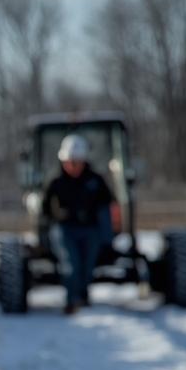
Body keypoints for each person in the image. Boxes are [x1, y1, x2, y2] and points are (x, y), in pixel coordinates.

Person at [42, 134, 117, 314]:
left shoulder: (95, 181)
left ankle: (83, 295)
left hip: (90, 229)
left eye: (77, 162)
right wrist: (56, 218)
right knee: (71, 263)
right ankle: (72, 299)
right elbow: (45, 210)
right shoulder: (56, 181)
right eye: (70, 162)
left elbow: (108, 205)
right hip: (65, 229)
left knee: (87, 264)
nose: (73, 166)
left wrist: (108, 235)